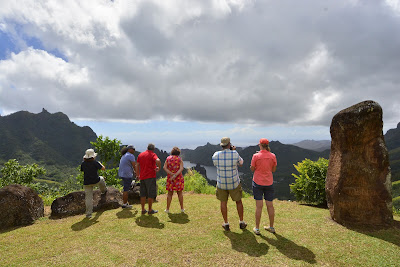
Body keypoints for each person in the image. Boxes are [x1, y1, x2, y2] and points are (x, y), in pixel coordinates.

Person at [212, 137, 247, 231]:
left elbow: (215, 164)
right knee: (238, 201)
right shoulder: (234, 154)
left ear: (221, 145)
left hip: (221, 183)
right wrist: (233, 151)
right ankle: (241, 222)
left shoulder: (216, 155)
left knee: (223, 202)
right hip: (234, 182)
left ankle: (226, 223)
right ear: (229, 144)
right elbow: (241, 163)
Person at [250, 138, 277, 235]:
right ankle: (271, 227)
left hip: (257, 182)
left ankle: (257, 228)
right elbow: (273, 170)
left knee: (259, 206)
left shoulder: (256, 156)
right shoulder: (272, 156)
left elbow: (252, 168)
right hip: (269, 182)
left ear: (260, 145)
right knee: (270, 205)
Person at [80, 148, 107, 218]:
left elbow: (82, 170)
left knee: (88, 198)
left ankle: (88, 214)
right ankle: (103, 191)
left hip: (87, 182)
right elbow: (103, 168)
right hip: (95, 180)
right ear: (93, 156)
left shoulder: (83, 163)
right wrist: (100, 163)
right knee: (101, 179)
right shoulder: (95, 162)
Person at [136, 143, 161, 215]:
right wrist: (158, 168)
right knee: (150, 194)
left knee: (143, 194)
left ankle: (143, 210)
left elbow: (137, 165)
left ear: (147, 148)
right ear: (153, 149)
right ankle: (150, 210)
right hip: (150, 177)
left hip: (142, 177)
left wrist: (138, 175)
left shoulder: (141, 155)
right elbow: (158, 161)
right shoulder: (152, 154)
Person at [163, 147, 185, 213]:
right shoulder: (179, 159)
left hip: (170, 178)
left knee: (169, 194)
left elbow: (164, 167)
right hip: (178, 178)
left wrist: (171, 174)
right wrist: (175, 175)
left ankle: (167, 209)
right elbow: (181, 169)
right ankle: (182, 209)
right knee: (180, 193)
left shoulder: (168, 158)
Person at [118, 145, 136, 209]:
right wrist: (137, 174)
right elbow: (134, 166)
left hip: (122, 173)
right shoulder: (131, 156)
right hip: (126, 174)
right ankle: (125, 204)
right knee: (126, 189)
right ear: (129, 149)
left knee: (127, 187)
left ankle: (125, 202)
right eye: (133, 149)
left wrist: (134, 172)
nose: (134, 150)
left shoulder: (125, 155)